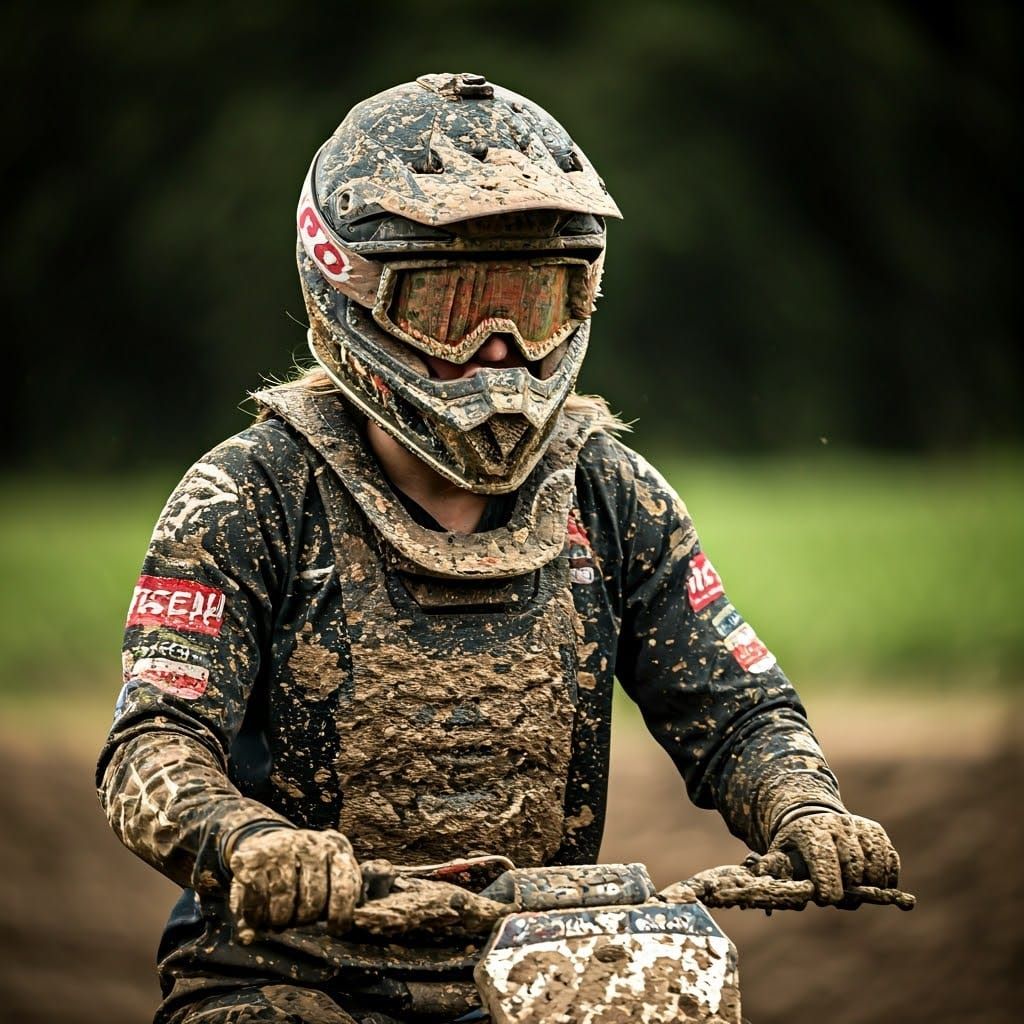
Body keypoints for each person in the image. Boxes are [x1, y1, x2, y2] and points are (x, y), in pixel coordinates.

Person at [97, 72, 901, 1024]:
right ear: (352, 291)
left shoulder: (608, 492)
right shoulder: (251, 495)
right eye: (457, 309)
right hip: (286, 971)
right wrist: (246, 842)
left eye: (538, 303)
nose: (502, 350)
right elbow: (150, 747)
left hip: (539, 963)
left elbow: (736, 708)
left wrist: (803, 806)